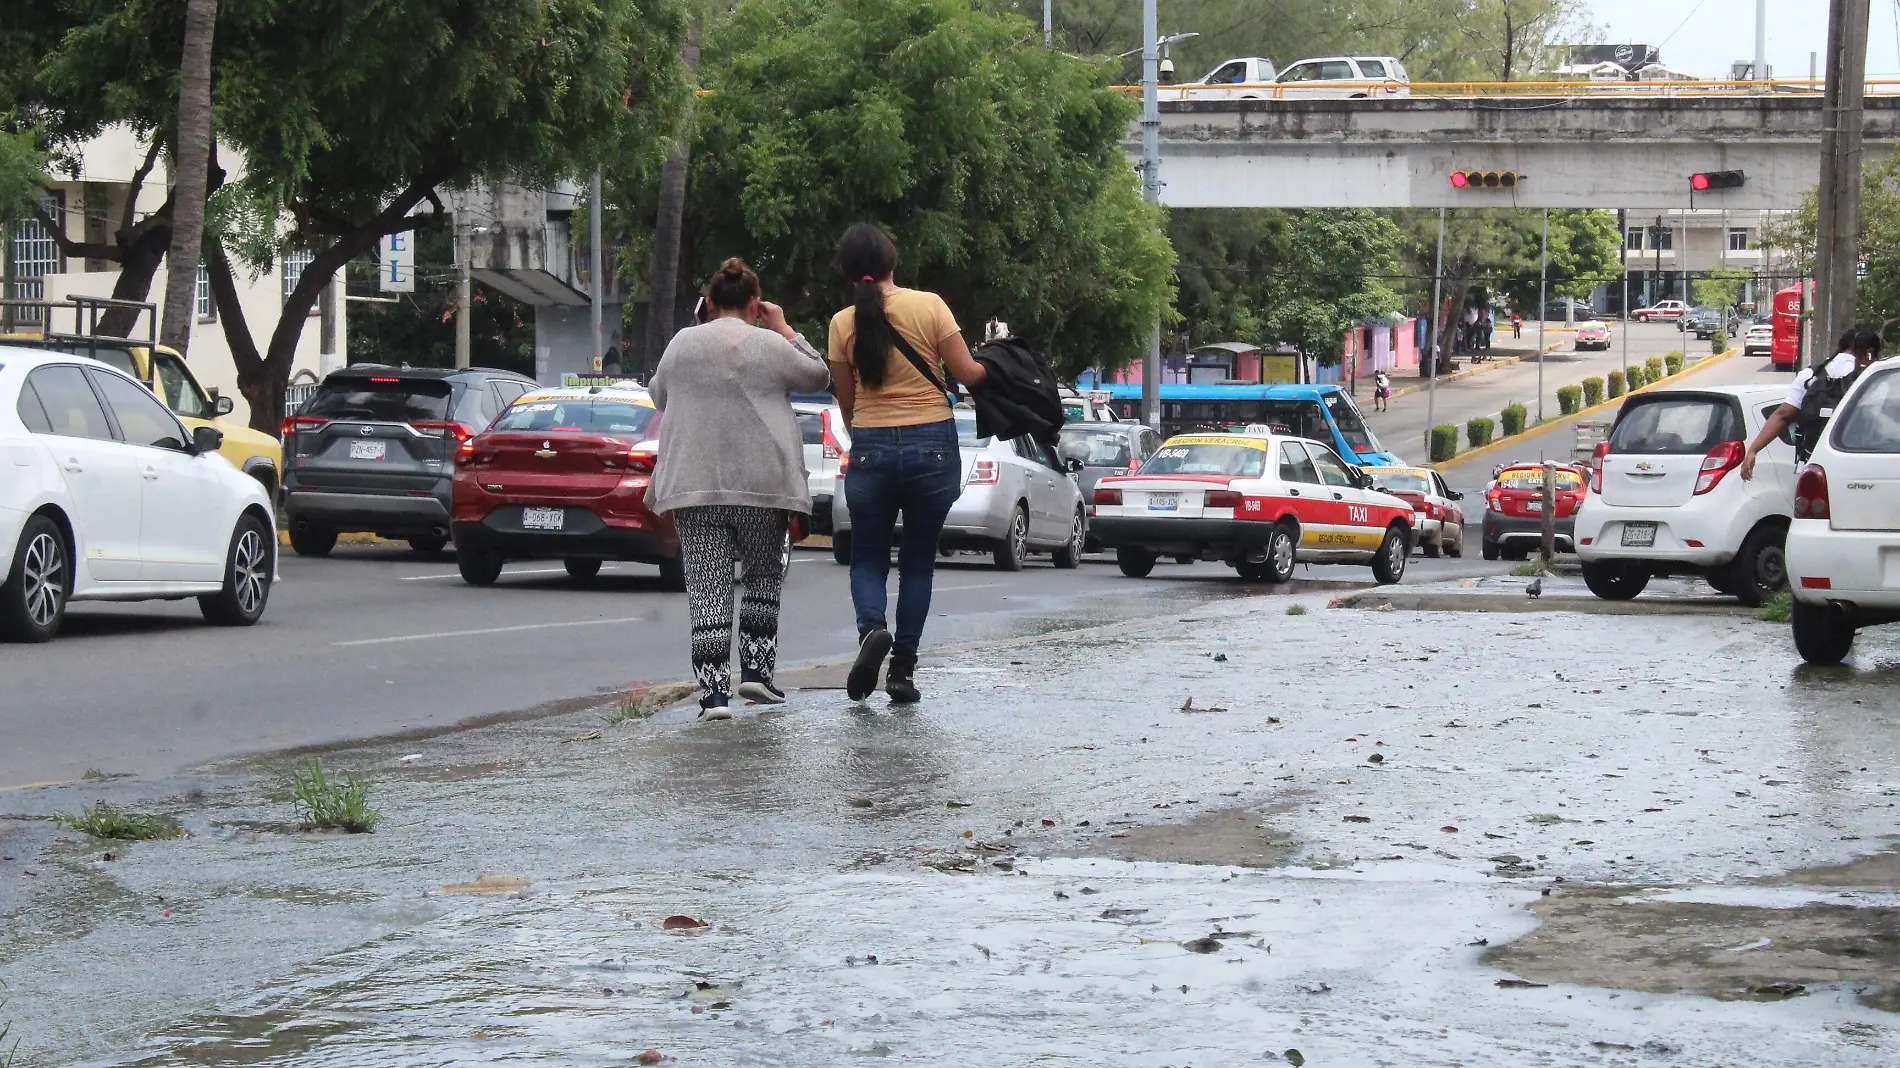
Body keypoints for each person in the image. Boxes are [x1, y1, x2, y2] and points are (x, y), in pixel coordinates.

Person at [648, 258, 832, 720]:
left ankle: (713, 696)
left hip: (697, 484)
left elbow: (658, 394)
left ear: (708, 304)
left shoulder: (682, 343)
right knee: (762, 574)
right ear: (755, 304)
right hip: (763, 483)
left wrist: (693, 335)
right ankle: (756, 672)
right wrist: (786, 328)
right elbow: (818, 375)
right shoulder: (771, 343)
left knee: (708, 584)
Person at [828, 223, 989, 705]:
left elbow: (847, 401)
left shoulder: (842, 324)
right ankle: (902, 672)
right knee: (918, 565)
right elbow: (970, 375)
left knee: (868, 557)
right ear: (891, 260)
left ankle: (872, 629)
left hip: (872, 445)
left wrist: (867, 436)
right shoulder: (930, 305)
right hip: (932, 445)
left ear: (849, 273)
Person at [1742, 327, 1883, 480]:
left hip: (1812, 466)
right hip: (1857, 468)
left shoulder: (1810, 375)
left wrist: (1753, 450)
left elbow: (1782, 416)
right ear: (1870, 351)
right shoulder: (1872, 378)